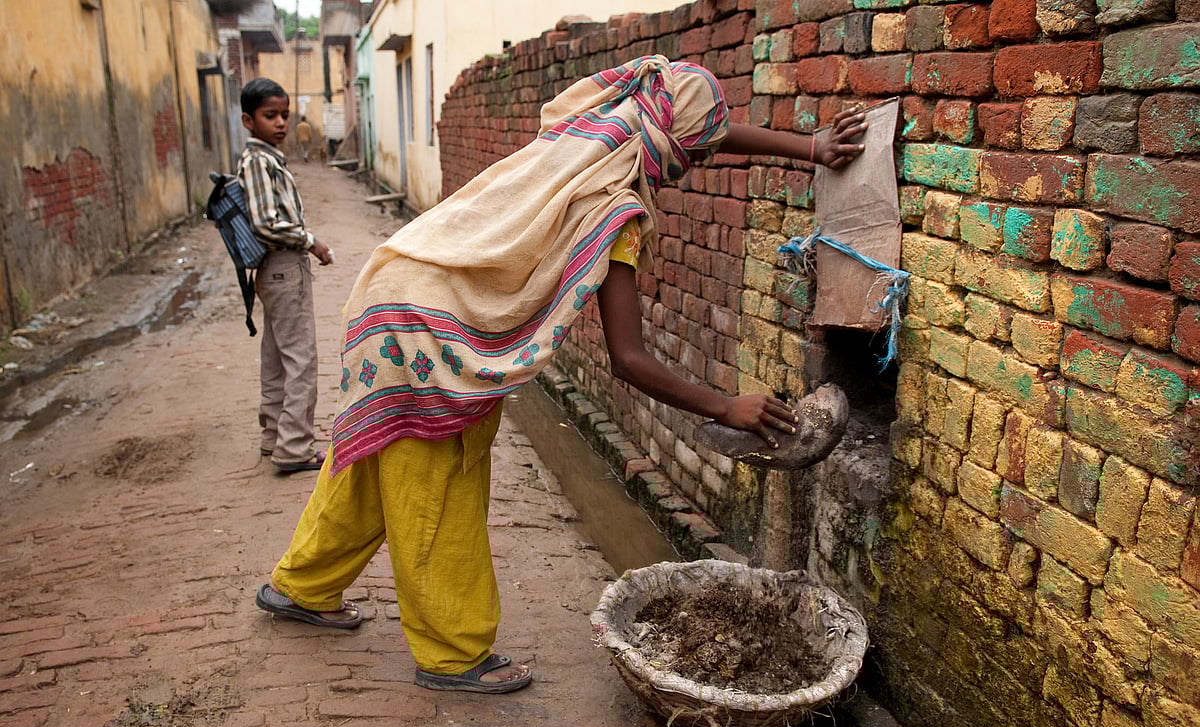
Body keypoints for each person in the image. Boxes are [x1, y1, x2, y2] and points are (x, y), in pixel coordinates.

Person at [254, 56, 867, 693]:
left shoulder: (589, 132)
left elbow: (701, 127)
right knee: (438, 481)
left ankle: (302, 586)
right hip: (430, 333)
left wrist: (813, 148)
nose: (697, 166)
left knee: (375, 454)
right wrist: (724, 406)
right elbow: (628, 359)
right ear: (671, 148)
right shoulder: (612, 204)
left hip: (392, 291)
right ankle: (452, 654)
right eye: (697, 156)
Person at [238, 78, 334, 473]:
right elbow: (266, 223)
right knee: (301, 359)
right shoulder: (259, 161)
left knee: (277, 357)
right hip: (282, 267)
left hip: (273, 270)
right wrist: (311, 241)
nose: (280, 123)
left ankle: (273, 436)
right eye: (269, 115)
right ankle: (294, 447)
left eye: (284, 115)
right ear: (248, 120)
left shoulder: (267, 158)